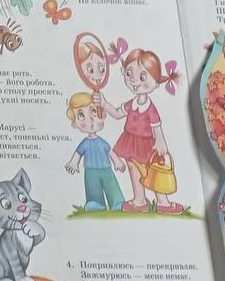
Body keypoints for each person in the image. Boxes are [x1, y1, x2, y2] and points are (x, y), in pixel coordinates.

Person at [97, 48, 183, 214]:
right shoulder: (131, 104)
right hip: (130, 141)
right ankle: (139, 200)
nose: (134, 80)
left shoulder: (150, 108)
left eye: (143, 77)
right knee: (133, 169)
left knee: (154, 171)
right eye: (129, 74)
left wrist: (160, 142)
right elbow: (117, 114)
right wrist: (104, 104)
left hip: (147, 144)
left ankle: (163, 202)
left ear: (155, 83)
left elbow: (156, 127)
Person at [64, 91, 126, 211]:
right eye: (81, 115)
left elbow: (110, 151)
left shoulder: (102, 142)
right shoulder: (85, 143)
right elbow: (78, 153)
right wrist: (74, 163)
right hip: (90, 171)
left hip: (106, 169)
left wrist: (117, 162)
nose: (90, 119)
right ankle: (95, 203)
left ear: (102, 113)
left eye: (93, 111)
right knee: (93, 187)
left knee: (111, 185)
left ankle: (117, 202)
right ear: (75, 123)